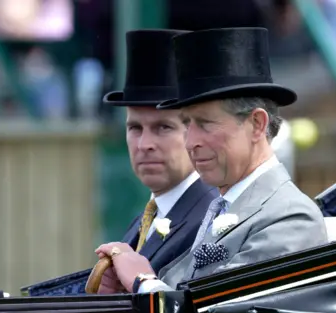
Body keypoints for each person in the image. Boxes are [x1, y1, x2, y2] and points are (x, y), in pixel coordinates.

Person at [95, 27, 328, 294]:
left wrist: (142, 282)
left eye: (205, 124)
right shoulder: (224, 207)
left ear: (256, 124)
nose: (190, 140)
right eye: (186, 123)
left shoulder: (290, 219)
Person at [22, 29, 218, 296]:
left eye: (163, 128)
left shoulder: (210, 220)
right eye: (135, 128)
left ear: (195, 131)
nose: (144, 144)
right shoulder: (147, 219)